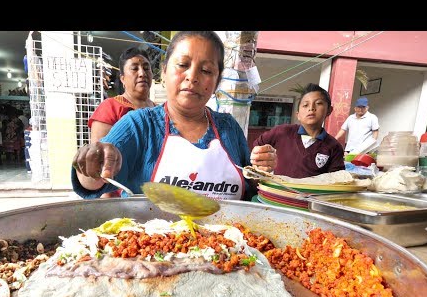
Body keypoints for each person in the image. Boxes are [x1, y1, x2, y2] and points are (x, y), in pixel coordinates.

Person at [71, 31, 277, 200]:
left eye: (206, 70)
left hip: (231, 246)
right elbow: (92, 183)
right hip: (152, 248)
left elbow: (251, 189)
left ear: (216, 82)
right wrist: (94, 160)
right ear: (164, 71)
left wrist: (261, 170)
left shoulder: (229, 127)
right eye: (182, 65)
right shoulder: (139, 125)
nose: (193, 76)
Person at [88, 46, 155, 198]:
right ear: (123, 78)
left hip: (154, 196)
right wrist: (110, 207)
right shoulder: (110, 107)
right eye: (135, 68)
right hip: (122, 197)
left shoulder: (159, 111)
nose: (142, 73)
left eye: (146, 68)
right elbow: (100, 164)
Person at [252, 83, 345, 178]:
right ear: (298, 115)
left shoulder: (334, 147)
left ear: (329, 110)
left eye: (318, 103)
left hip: (312, 192)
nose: (311, 108)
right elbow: (257, 146)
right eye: (305, 105)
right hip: (278, 191)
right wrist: (264, 161)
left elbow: (337, 180)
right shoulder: (282, 132)